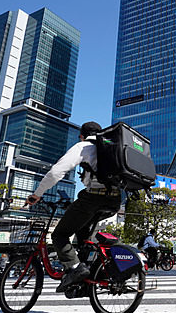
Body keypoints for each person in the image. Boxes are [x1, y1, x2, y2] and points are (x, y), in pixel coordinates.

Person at [25, 121, 123, 293]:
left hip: (93, 198)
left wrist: (38, 194)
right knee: (82, 230)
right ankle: (86, 278)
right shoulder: (111, 146)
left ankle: (76, 268)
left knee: (60, 235)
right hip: (115, 201)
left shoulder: (83, 146)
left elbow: (56, 172)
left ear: (81, 135)